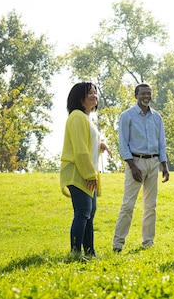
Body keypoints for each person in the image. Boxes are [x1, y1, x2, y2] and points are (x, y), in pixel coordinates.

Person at [112, 83, 170, 252]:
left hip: (153, 163)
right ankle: (118, 243)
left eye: (149, 93)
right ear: (136, 95)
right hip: (135, 162)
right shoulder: (127, 116)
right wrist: (132, 166)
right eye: (143, 93)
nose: (146, 96)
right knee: (128, 205)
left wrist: (164, 165)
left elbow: (161, 143)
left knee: (150, 205)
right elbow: (123, 143)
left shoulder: (157, 117)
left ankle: (148, 242)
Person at [60, 82, 112, 258]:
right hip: (79, 174)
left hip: (88, 174)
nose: (94, 95)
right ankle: (75, 253)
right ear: (79, 97)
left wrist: (100, 145)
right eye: (89, 92)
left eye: (95, 92)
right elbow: (80, 149)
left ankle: (90, 253)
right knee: (82, 213)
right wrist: (90, 175)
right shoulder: (76, 117)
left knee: (89, 215)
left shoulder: (86, 118)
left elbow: (88, 143)